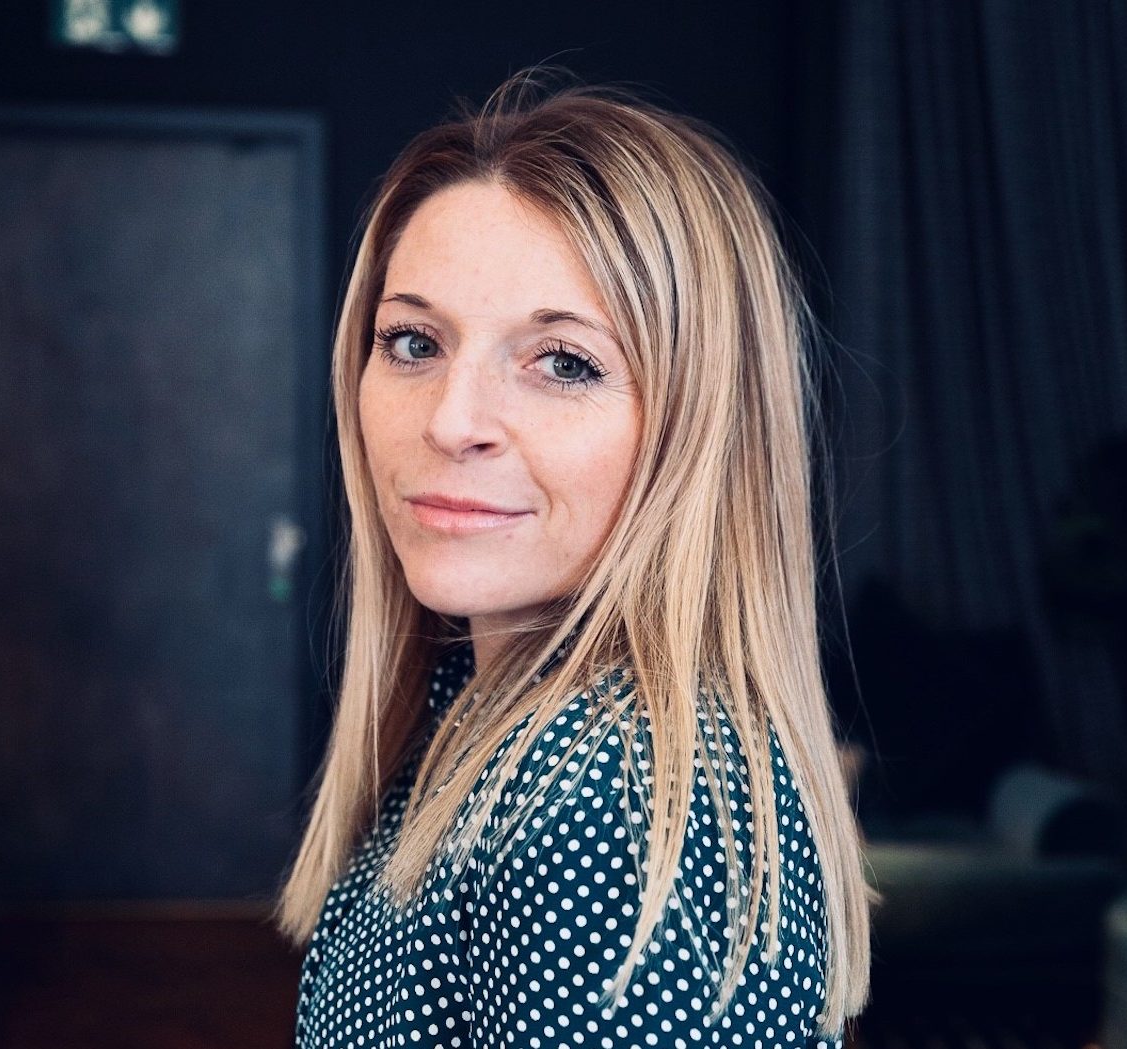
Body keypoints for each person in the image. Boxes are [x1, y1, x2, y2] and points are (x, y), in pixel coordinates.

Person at [275, 65, 878, 1049]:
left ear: (696, 427)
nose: (452, 420)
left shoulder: (609, 803)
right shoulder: (484, 709)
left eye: (563, 362)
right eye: (414, 341)